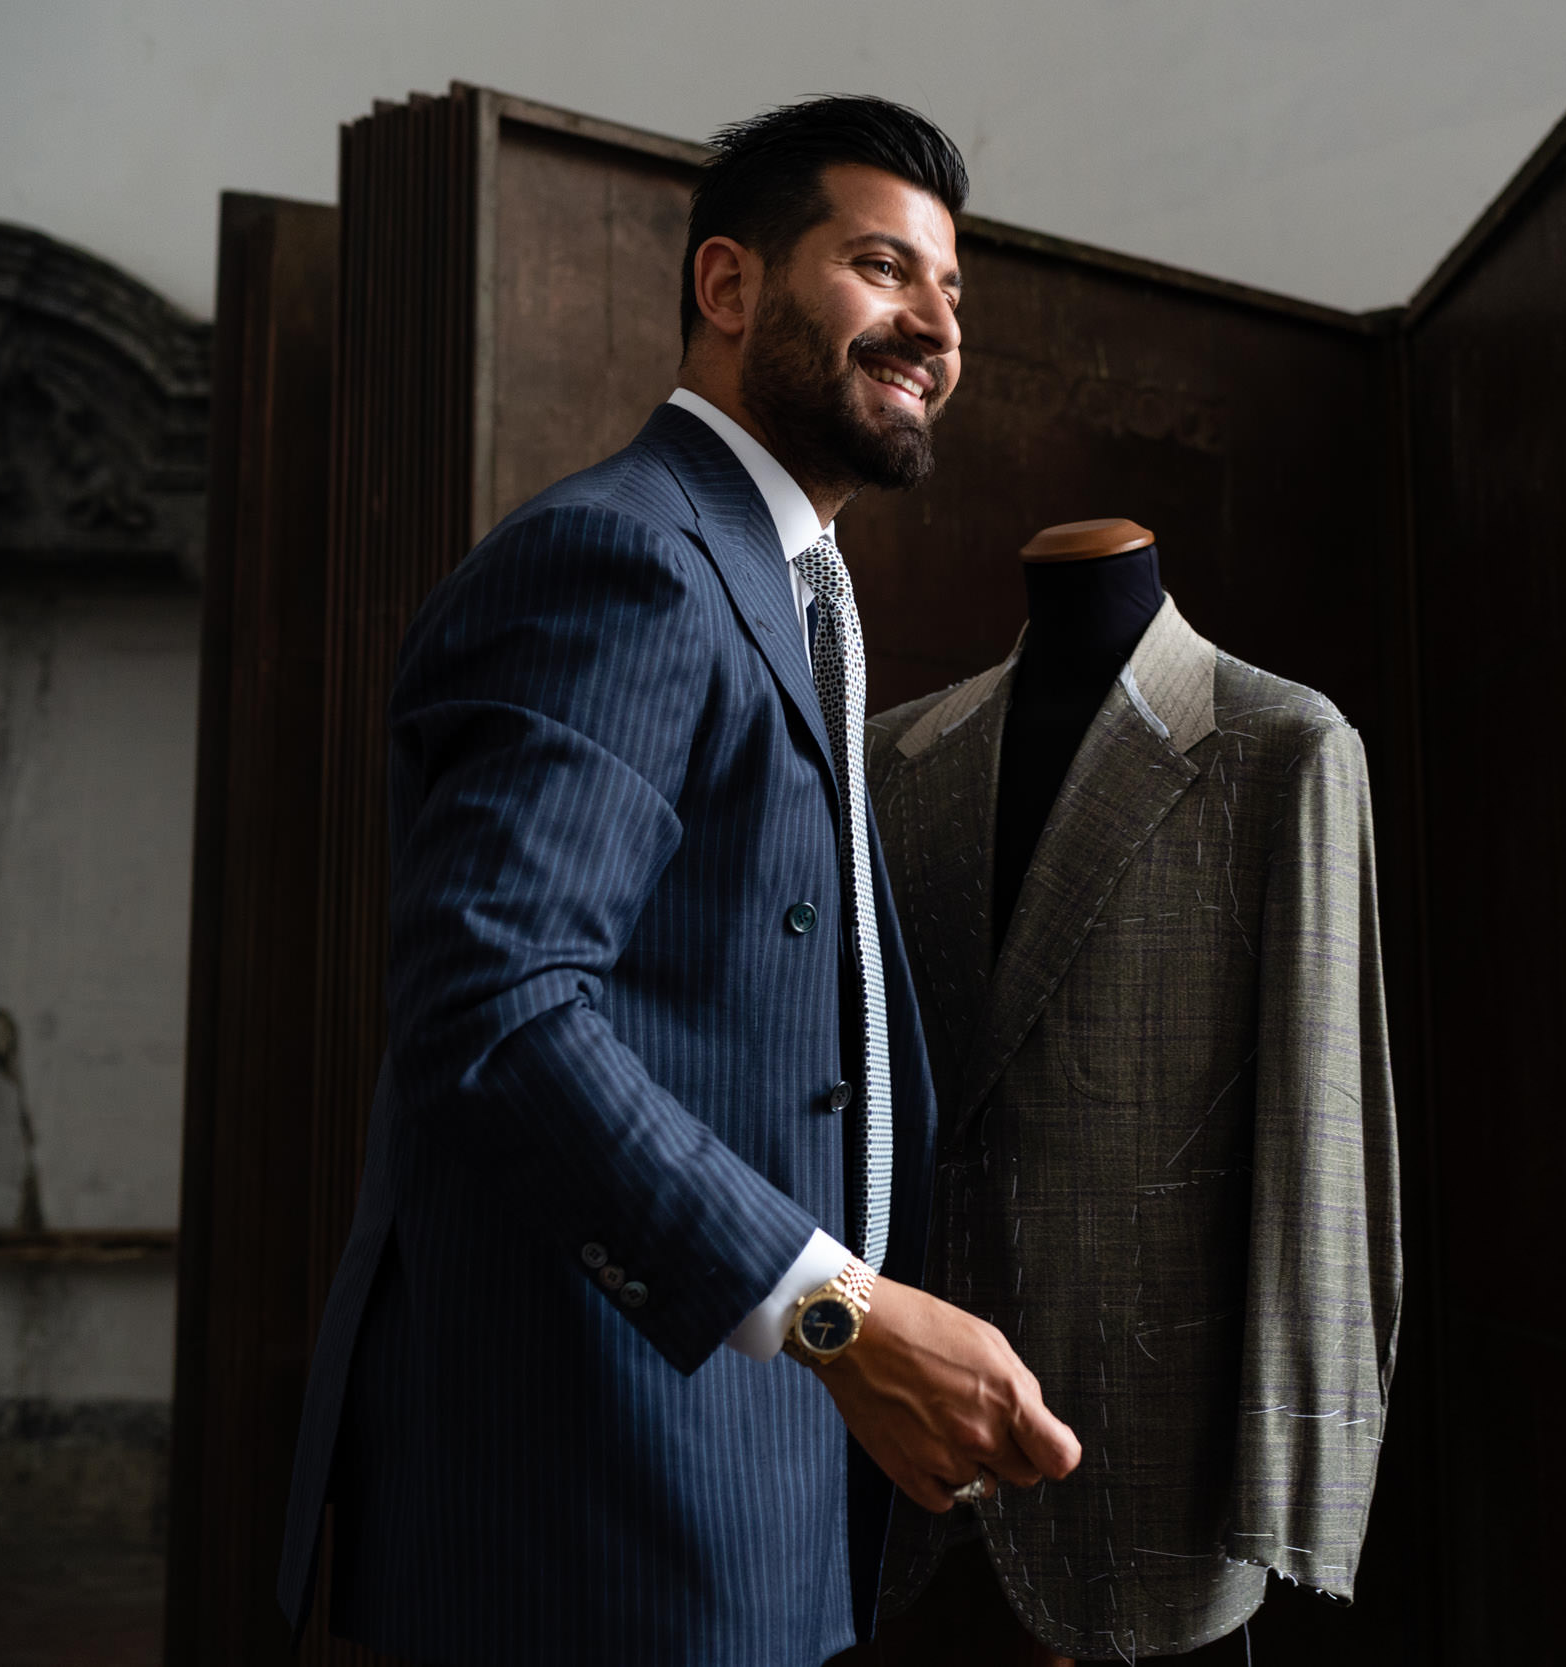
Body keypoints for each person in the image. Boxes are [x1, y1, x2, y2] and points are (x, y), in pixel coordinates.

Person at [275, 96, 1080, 1667]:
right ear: (728, 285)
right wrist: (836, 1317)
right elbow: (495, 1011)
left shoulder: (794, 587)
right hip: (595, 1490)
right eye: (882, 267)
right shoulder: (629, 558)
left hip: (752, 1463)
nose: (936, 325)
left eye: (952, 290)